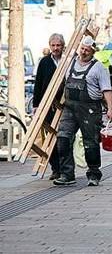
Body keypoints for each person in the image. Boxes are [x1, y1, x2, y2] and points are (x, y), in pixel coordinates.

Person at [54, 35, 112, 186]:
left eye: (87, 50)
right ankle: (67, 174)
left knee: (90, 143)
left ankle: (94, 174)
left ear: (93, 51)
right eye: (82, 48)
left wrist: (110, 108)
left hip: (90, 109)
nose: (84, 52)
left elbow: (106, 89)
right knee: (63, 138)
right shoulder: (70, 63)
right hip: (69, 107)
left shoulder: (99, 67)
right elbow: (60, 84)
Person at [33, 33, 65, 180]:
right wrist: (36, 106)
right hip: (48, 106)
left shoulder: (67, 61)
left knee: (64, 138)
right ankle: (55, 169)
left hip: (65, 105)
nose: (55, 48)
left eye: (58, 45)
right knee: (50, 138)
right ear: (50, 46)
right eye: (53, 45)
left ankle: (65, 169)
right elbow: (38, 83)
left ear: (63, 46)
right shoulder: (45, 62)